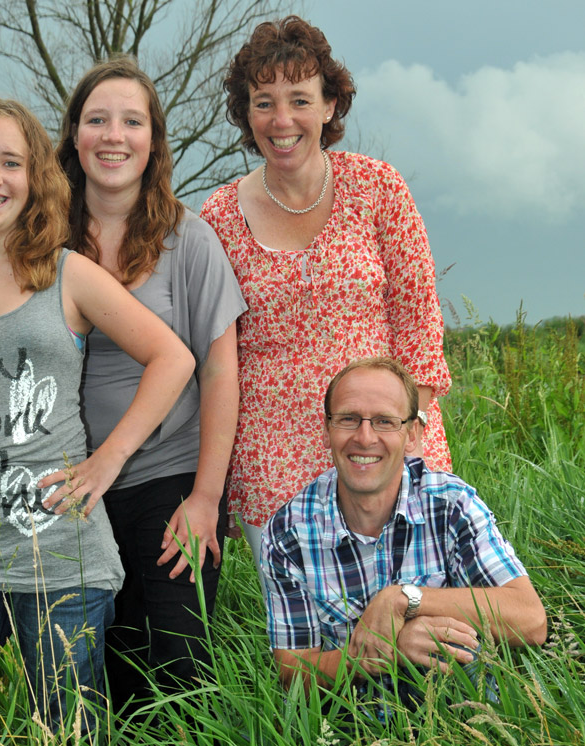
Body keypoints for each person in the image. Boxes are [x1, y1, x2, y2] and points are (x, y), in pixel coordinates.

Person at [0, 97, 195, 740]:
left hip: (60, 554)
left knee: (69, 728)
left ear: (34, 180)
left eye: (10, 163)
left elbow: (172, 358)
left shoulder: (67, 275)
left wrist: (106, 461)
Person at [200, 15, 453, 578]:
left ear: (331, 105)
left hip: (386, 443)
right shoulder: (216, 218)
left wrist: (400, 437)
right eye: (263, 101)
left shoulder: (378, 188)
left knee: (416, 627)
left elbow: (419, 328)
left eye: (300, 99)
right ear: (245, 112)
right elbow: (216, 361)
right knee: (312, 646)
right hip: (275, 460)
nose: (282, 119)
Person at [53, 56, 246, 710]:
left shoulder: (188, 240)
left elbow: (220, 370)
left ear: (153, 141)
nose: (114, 135)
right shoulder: (41, 240)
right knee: (98, 680)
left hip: (169, 478)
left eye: (132, 121)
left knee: (176, 678)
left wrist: (205, 497)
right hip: (71, 488)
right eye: (98, 119)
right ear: (74, 136)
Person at [262, 357, 547, 697]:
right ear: (326, 430)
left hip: (463, 717)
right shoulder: (287, 535)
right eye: (348, 419)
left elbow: (531, 620)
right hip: (349, 724)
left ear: (412, 434)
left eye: (385, 421)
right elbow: (292, 670)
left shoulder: (451, 504)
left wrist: (404, 599)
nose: (365, 438)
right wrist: (384, 651)